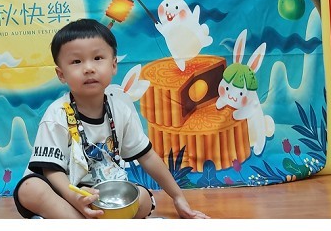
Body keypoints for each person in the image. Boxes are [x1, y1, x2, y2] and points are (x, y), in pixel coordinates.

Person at [13, 18, 209, 219]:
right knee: (30, 188)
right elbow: (50, 171)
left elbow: (148, 157)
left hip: (104, 194)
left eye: (98, 58)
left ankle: (76, 220)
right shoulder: (56, 115)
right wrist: (74, 196)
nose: (89, 68)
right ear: (61, 74)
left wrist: (178, 197)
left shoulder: (120, 109)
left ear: (114, 65)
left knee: (142, 199)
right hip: (63, 192)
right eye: (76, 61)